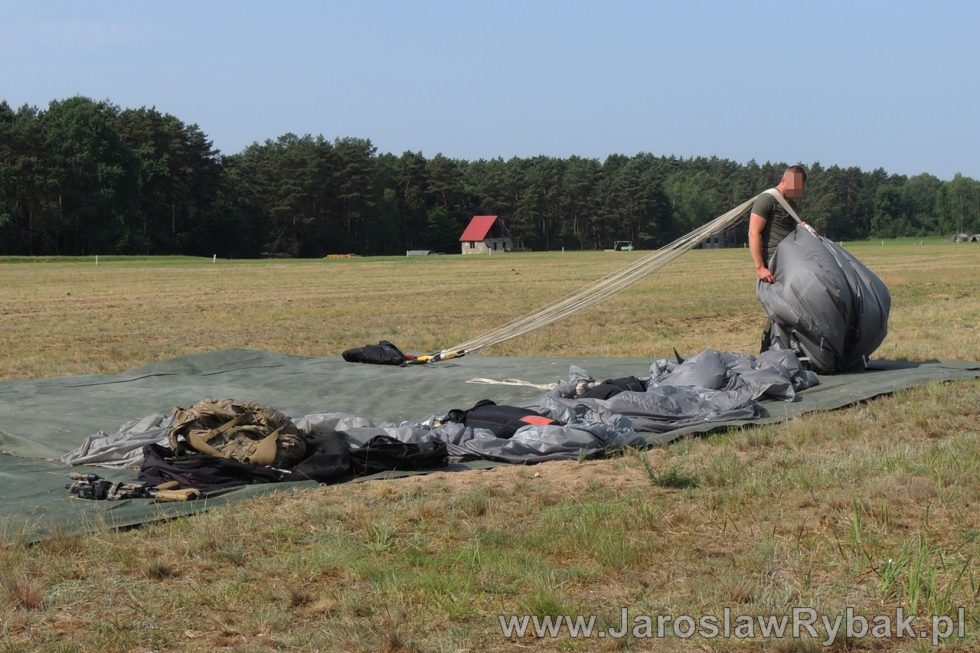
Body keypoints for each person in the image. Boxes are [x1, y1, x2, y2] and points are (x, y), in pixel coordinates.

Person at [749, 165, 807, 283]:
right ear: (783, 181)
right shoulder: (767, 199)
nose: (796, 192)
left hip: (791, 257)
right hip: (775, 261)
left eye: (799, 189)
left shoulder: (791, 205)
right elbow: (753, 232)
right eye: (794, 187)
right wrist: (760, 268)